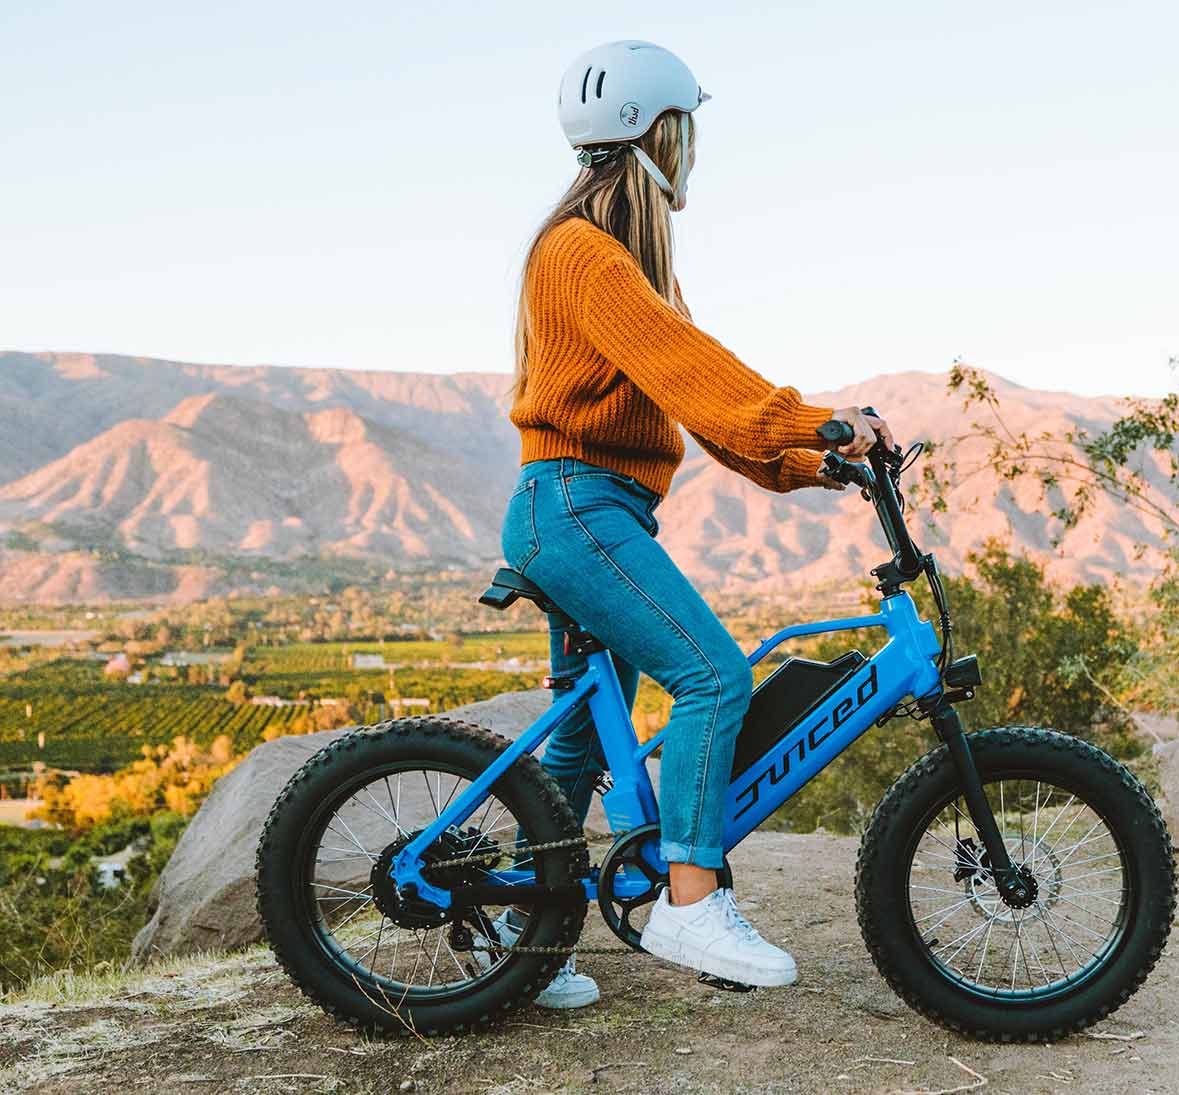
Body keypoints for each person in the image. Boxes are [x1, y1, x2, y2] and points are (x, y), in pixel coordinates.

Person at [498, 40, 892, 1008]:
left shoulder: (613, 262)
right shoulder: (584, 255)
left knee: (580, 745)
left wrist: (812, 462)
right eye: (688, 131)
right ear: (655, 135)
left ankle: (520, 939)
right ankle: (689, 896)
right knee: (712, 677)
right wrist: (815, 417)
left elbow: (699, 405)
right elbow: (698, 376)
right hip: (576, 506)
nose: (694, 152)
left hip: (584, 509)